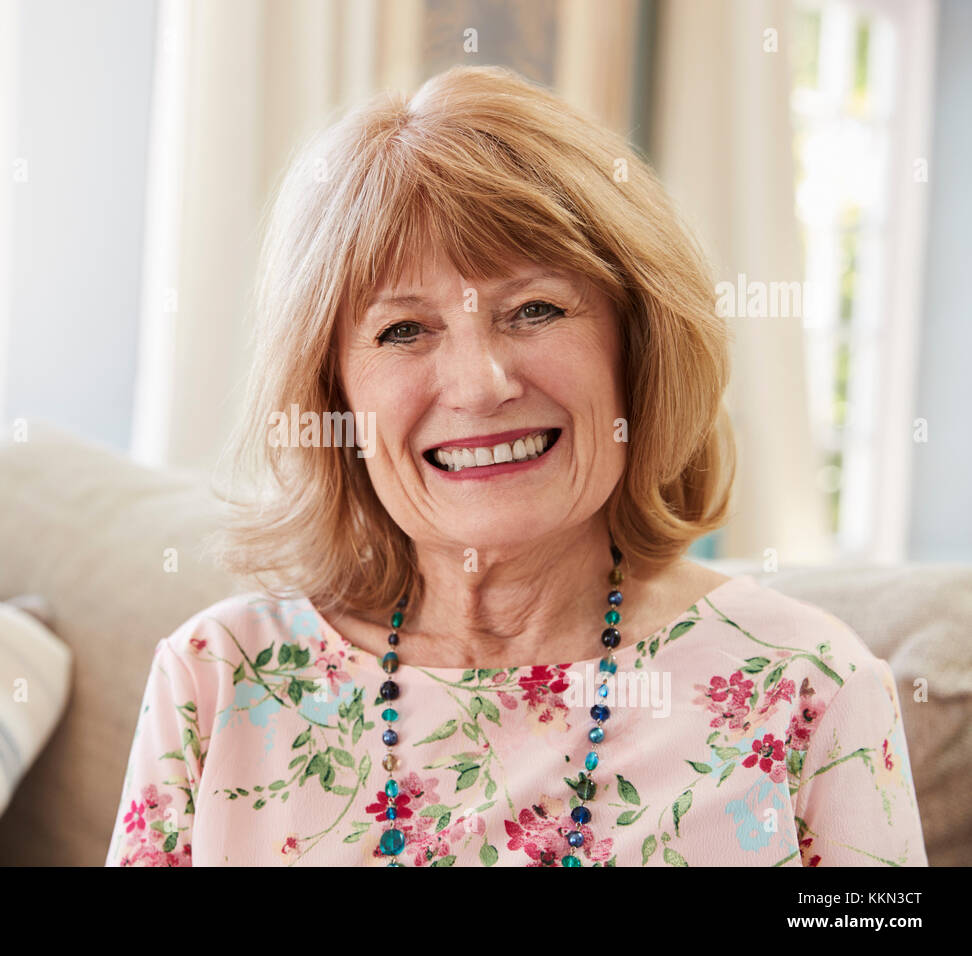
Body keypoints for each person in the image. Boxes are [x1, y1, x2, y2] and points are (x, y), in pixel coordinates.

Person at [105, 65, 926, 867]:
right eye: (403, 330)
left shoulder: (810, 688)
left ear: (637, 347)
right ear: (335, 393)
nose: (480, 385)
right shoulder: (218, 679)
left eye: (534, 310)